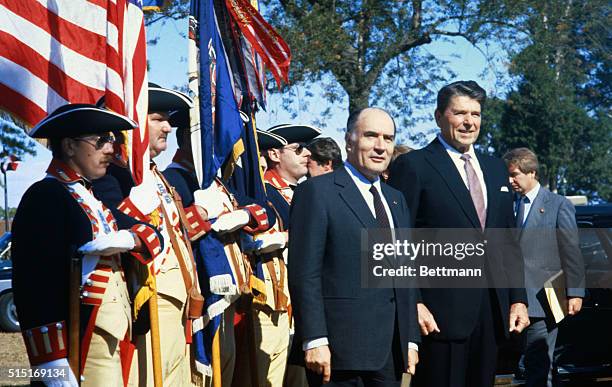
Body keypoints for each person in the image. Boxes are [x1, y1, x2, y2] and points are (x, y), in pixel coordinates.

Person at [388, 80, 529, 387]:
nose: (469, 122)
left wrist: (518, 299)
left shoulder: (494, 168)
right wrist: (414, 302)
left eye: (476, 114)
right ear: (440, 116)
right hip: (438, 317)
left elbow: (508, 241)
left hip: (491, 315)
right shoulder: (414, 166)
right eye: (460, 113)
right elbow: (398, 241)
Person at [11, 104, 157, 386]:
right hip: (80, 342)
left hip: (111, 334)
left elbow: (152, 231)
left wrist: (130, 239)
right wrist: (50, 363)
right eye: (100, 140)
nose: (110, 149)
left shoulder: (91, 198)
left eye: (111, 140)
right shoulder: (47, 195)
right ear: (68, 146)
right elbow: (34, 285)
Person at [289, 107, 420, 386]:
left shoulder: (396, 200)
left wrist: (410, 339)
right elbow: (304, 274)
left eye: (388, 138)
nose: (380, 146)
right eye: (371, 135)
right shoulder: (317, 192)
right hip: (337, 353)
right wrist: (314, 338)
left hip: (389, 353)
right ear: (349, 140)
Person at [92, 83, 202, 386]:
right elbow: (110, 221)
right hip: (151, 297)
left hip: (180, 299)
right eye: (157, 118)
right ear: (131, 124)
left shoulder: (157, 175)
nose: (168, 126)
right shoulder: (112, 176)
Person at [503, 147, 585, 387]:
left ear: (532, 173)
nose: (510, 180)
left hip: (543, 300)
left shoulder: (558, 205)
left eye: (515, 174)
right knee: (522, 368)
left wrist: (575, 292)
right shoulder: (508, 203)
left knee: (538, 366)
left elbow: (571, 251)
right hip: (512, 298)